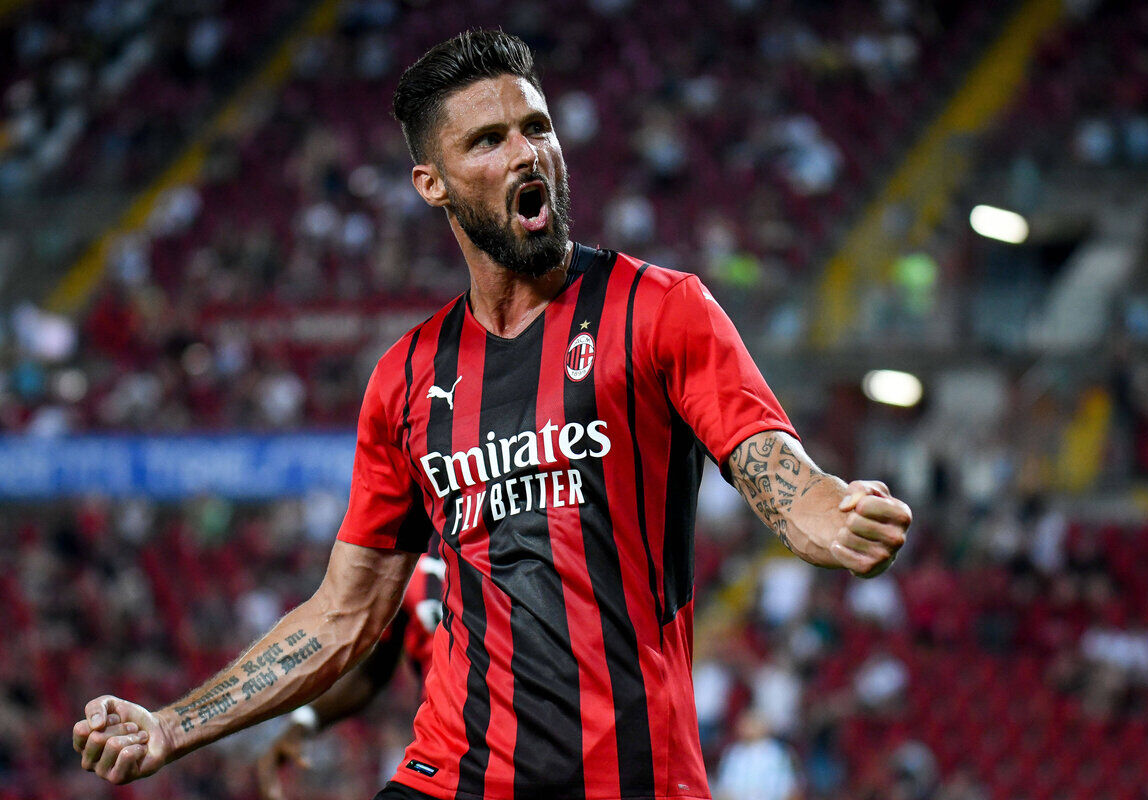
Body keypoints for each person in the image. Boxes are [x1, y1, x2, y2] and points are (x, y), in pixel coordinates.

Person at [73, 30, 912, 800]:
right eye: (488, 140)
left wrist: (824, 511)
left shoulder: (661, 309)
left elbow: (774, 467)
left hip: (634, 778)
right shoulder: (406, 379)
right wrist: (172, 725)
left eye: (536, 127)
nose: (525, 152)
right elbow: (345, 613)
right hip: (453, 776)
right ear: (431, 184)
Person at [256, 553, 445, 800]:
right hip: (438, 755)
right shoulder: (411, 565)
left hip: (494, 751)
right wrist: (303, 721)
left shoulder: (495, 553)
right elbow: (374, 671)